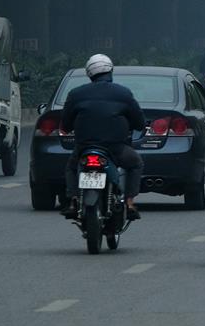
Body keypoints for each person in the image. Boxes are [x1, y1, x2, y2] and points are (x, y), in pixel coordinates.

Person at [60, 54, 145, 220]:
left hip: (84, 148)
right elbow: (139, 122)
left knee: (71, 167)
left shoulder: (75, 94)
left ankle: (73, 201)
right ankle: (129, 203)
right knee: (136, 163)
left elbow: (66, 124)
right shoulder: (123, 93)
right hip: (116, 148)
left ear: (89, 74)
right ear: (110, 71)